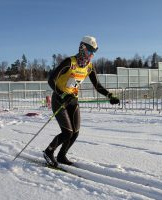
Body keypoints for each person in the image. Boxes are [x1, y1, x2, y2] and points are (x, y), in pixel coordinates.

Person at [43, 36, 120, 167]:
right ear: (82, 48)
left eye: (93, 53)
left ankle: (62, 155)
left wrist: (110, 95)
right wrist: (62, 95)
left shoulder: (89, 67)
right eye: (90, 51)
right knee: (67, 132)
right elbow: (51, 80)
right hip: (59, 99)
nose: (91, 55)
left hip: (73, 100)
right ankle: (48, 151)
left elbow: (97, 85)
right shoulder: (70, 62)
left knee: (75, 132)